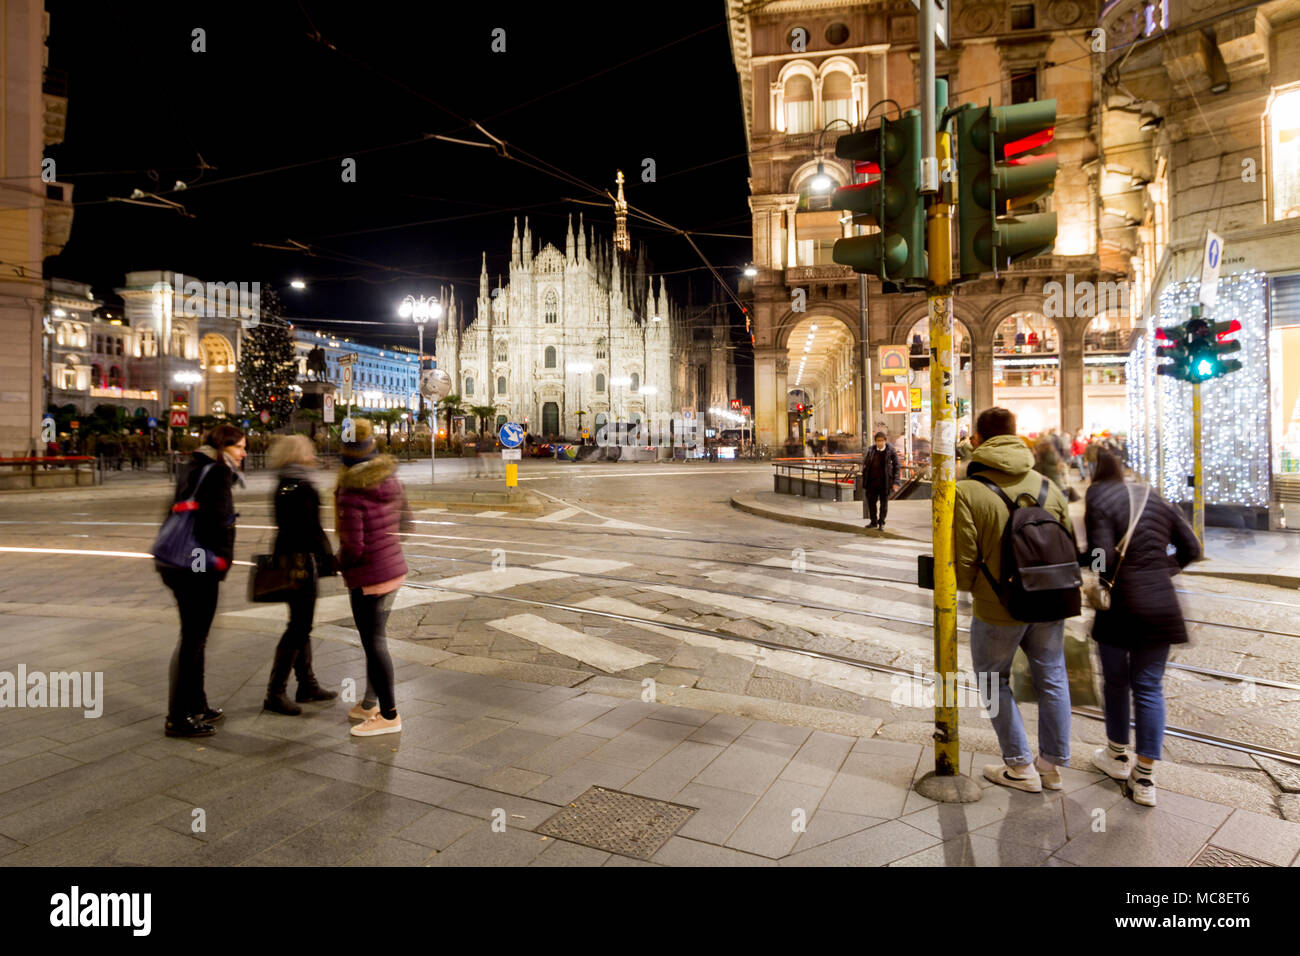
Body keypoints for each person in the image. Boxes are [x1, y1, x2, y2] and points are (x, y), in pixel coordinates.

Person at [954, 407, 1074, 792]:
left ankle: (1020, 766)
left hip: (998, 607)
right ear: (1015, 435)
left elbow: (964, 560)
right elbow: (1069, 542)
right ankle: (1052, 767)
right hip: (1050, 600)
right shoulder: (1046, 486)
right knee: (1052, 675)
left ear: (977, 441)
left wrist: (973, 590)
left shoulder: (966, 492)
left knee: (992, 680)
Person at [1085, 450, 1201, 807]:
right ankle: (1145, 777)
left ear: (1094, 471)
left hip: (1121, 606)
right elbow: (1192, 547)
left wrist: (1100, 575)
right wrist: (1161, 570)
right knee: (1149, 686)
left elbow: (1101, 553)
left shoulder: (1098, 496)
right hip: (1162, 605)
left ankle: (1117, 756)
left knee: (1116, 681)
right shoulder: (1152, 496)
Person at [158, 424, 245, 738]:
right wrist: (221, 561)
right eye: (239, 448)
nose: (244, 453)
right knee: (193, 640)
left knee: (194, 638)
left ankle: (197, 704)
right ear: (224, 448)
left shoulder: (194, 466)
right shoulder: (217, 473)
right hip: (197, 567)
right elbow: (217, 522)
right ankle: (178, 717)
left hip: (178, 563)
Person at [335, 419, 411, 737]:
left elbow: (353, 548)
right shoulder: (391, 479)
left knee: (375, 644)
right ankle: (368, 703)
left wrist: (333, 564)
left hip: (368, 578)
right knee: (375, 642)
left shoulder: (350, 490)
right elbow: (406, 525)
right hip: (393, 571)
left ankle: (389, 714)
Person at [263, 434, 340, 715]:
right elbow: (312, 529)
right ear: (299, 455)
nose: (314, 455)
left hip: (285, 557)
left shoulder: (282, 483)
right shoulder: (303, 486)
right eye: (309, 451)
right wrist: (329, 559)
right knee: (299, 626)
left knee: (299, 623)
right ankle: (276, 691)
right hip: (302, 562)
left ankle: (306, 683)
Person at [862, 431, 900, 529]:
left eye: (881, 441)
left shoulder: (891, 451)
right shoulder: (871, 450)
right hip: (872, 482)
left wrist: (896, 482)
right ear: (875, 441)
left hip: (885, 482)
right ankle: (873, 521)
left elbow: (897, 466)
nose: (880, 443)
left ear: (885, 441)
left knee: (884, 504)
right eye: (878, 441)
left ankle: (881, 522)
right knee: (871, 503)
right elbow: (866, 465)